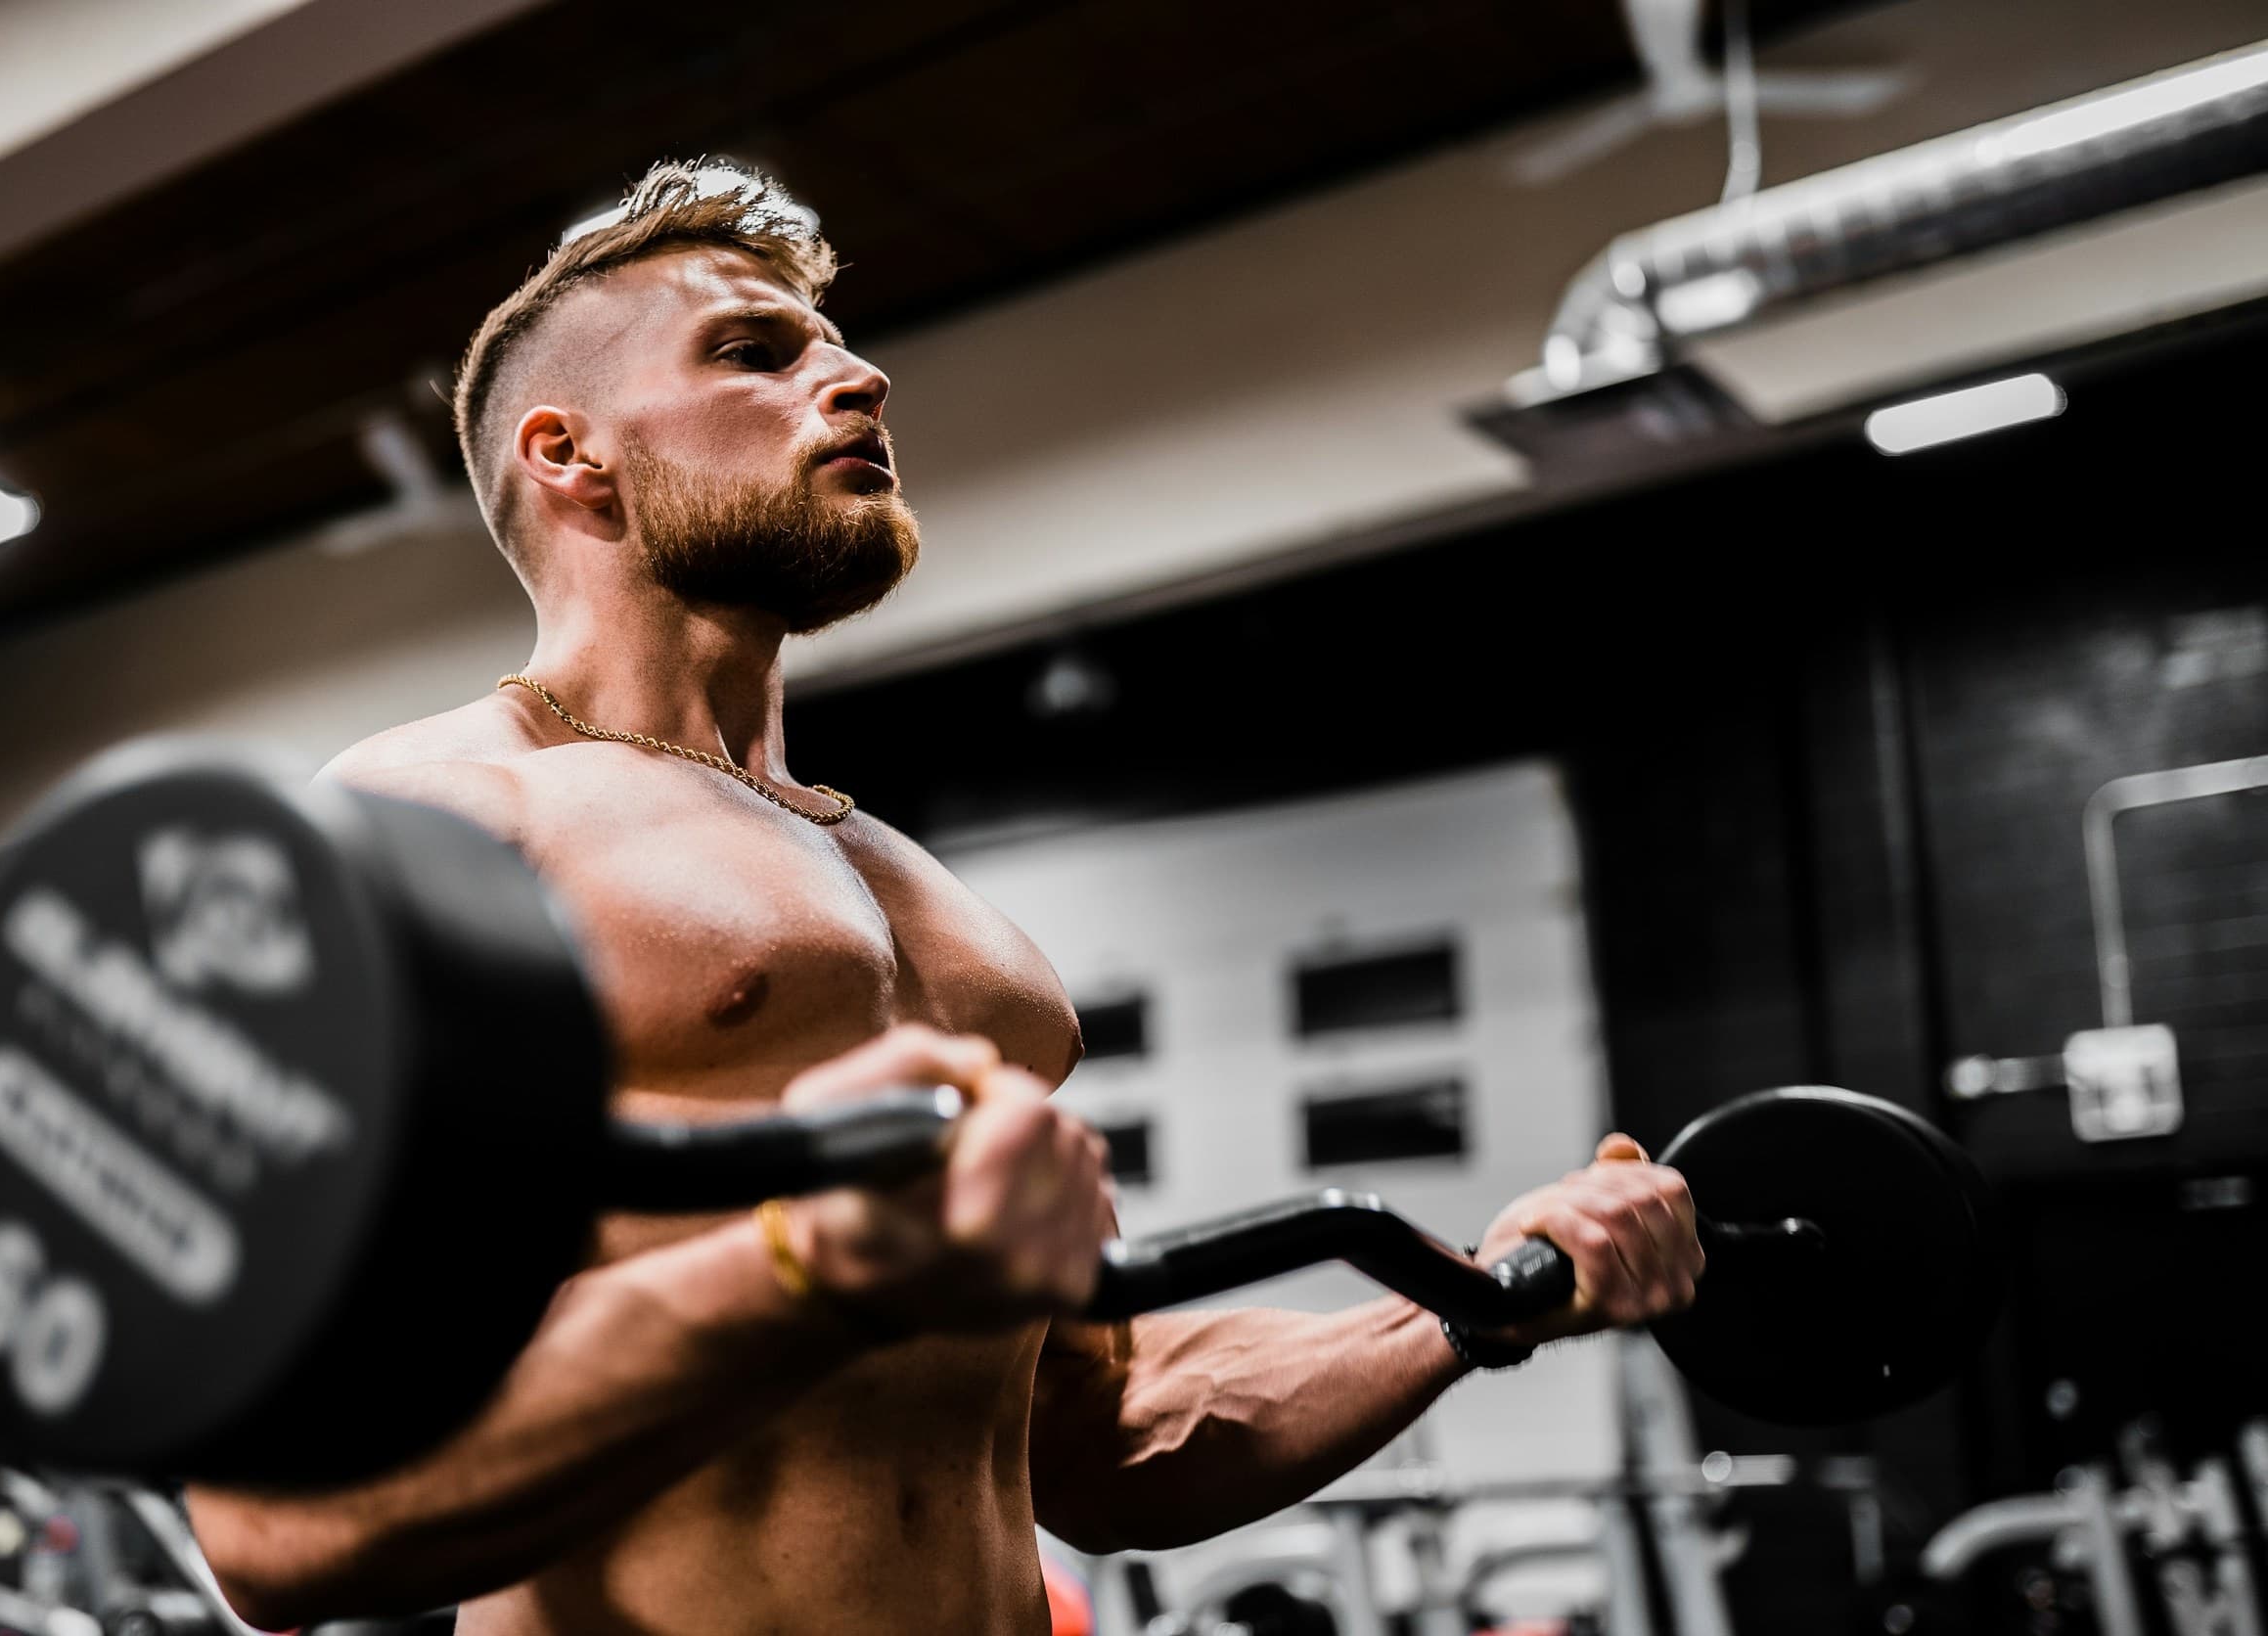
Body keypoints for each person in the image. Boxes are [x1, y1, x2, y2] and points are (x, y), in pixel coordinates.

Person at [183, 159, 1701, 1635]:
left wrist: (1476, 1302)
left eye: (839, 348)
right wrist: (803, 1265)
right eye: (756, 351)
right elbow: (281, 1526)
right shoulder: (430, 820)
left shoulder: (931, 910)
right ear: (571, 455)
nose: (858, 382)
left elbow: (1109, 1440)